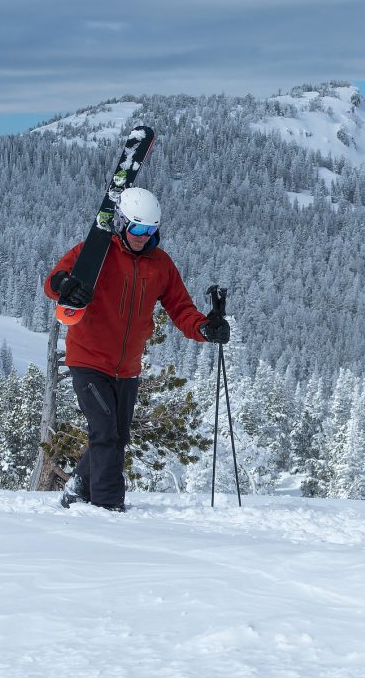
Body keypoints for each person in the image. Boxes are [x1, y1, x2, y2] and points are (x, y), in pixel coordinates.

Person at [44, 187, 229, 511]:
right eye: (137, 229)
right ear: (121, 222)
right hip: (88, 359)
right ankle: (108, 506)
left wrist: (205, 328)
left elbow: (181, 308)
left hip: (127, 368)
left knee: (116, 436)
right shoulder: (97, 250)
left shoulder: (160, 265)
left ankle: (78, 487)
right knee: (105, 433)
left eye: (150, 230)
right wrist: (64, 285)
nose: (143, 236)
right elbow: (54, 281)